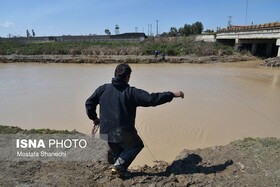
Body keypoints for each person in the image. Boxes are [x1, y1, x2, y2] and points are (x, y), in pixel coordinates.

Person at [85, 63, 184, 178]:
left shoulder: (102, 89)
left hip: (105, 132)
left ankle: (117, 169)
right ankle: (119, 167)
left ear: (115, 75)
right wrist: (171, 94)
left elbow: (89, 103)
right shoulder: (131, 92)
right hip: (123, 132)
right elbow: (152, 99)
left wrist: (94, 118)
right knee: (136, 145)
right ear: (127, 77)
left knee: (118, 149)